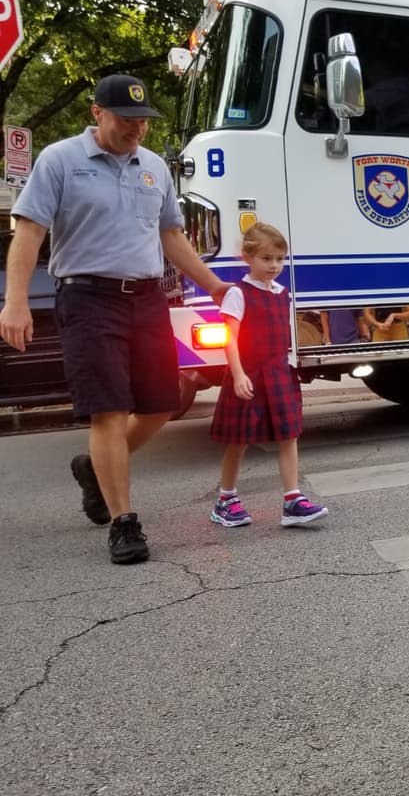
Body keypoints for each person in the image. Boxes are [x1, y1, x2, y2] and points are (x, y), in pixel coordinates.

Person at [0, 74, 232, 565]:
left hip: (145, 297)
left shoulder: (154, 169)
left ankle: (94, 468)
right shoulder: (59, 160)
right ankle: (124, 522)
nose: (138, 130)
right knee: (107, 408)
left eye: (144, 121)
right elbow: (29, 232)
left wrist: (214, 286)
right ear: (96, 113)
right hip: (87, 297)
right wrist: (15, 300)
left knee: (159, 406)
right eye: (127, 120)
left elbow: (171, 236)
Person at [209, 223, 328, 529]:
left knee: (289, 436)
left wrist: (290, 365)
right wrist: (237, 375)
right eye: (266, 258)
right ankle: (226, 500)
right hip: (248, 374)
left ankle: (292, 500)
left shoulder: (281, 293)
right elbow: (230, 338)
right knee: (239, 440)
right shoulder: (238, 293)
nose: (274, 265)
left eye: (279, 258)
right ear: (247, 257)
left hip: (278, 373)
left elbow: (284, 333)